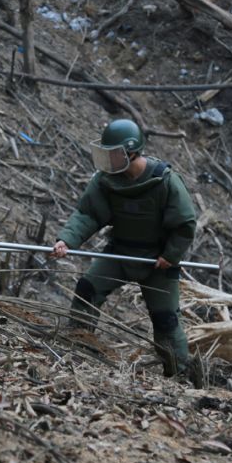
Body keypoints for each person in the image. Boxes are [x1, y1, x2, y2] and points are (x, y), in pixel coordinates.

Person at [49, 118, 198, 382]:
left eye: (114, 154)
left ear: (131, 152)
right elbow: (88, 214)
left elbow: (184, 223)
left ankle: (181, 376)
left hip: (157, 261)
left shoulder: (165, 181)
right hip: (119, 252)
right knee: (87, 290)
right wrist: (66, 240)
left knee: (166, 320)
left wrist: (171, 255)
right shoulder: (107, 181)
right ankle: (77, 344)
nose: (109, 161)